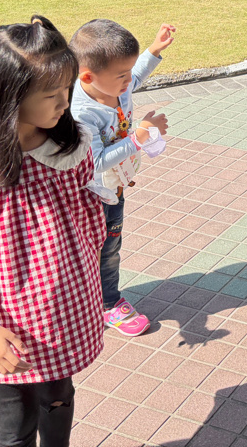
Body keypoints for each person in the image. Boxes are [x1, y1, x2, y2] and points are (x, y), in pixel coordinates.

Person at [0, 17, 106, 447]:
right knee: (14, 419)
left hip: (61, 306)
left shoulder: (71, 144)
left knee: (58, 397)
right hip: (2, 316)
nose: (64, 102)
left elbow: (87, 217)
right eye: (51, 94)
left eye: (67, 89)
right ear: (6, 96)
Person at [70, 19, 176, 337]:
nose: (129, 81)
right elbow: (97, 161)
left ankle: (95, 300)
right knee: (102, 252)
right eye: (122, 75)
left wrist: (154, 50)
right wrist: (138, 138)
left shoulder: (114, 85)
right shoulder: (83, 113)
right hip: (92, 196)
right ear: (88, 77)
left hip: (114, 189)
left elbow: (136, 75)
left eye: (128, 72)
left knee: (108, 247)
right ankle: (107, 304)